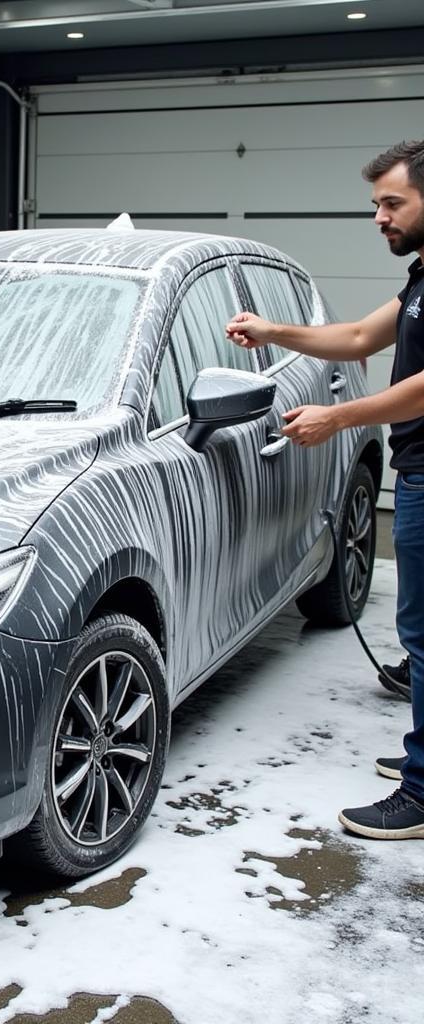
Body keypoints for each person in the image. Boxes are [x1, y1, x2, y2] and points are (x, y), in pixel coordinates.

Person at [225, 138, 424, 841]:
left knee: (422, 637)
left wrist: (337, 416)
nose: (379, 217)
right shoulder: (423, 278)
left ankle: (423, 794)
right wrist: (273, 331)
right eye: (377, 204)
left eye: (392, 203)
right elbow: (361, 337)